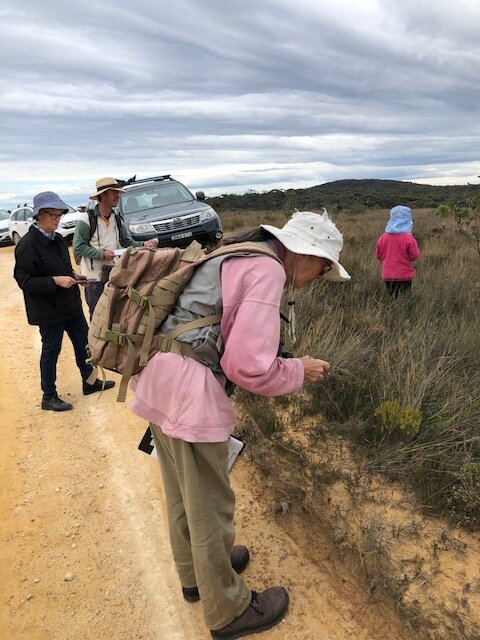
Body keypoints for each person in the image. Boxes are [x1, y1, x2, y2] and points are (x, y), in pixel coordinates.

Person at [129, 210, 351, 638]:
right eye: (323, 268)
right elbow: (247, 366)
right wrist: (298, 371)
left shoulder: (239, 252)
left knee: (181, 492)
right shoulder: (268, 271)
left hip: (158, 375)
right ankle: (228, 611)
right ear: (306, 254)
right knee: (211, 506)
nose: (318, 278)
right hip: (189, 393)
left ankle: (198, 577)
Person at [13, 191, 115, 412]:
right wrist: (54, 281)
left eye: (59, 214)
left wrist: (74, 276)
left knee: (84, 344)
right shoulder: (27, 245)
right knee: (51, 351)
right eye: (52, 214)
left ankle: (90, 383)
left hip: (70, 305)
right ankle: (48, 396)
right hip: (48, 310)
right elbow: (24, 280)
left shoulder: (58, 239)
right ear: (38, 215)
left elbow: (62, 268)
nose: (57, 219)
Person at [73, 177, 158, 319]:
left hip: (113, 273)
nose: (118, 196)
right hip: (93, 277)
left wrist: (144, 245)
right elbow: (78, 246)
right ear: (103, 195)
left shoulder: (116, 218)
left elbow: (125, 241)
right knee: (97, 314)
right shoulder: (86, 219)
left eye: (118, 193)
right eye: (114, 192)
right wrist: (101, 254)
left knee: (116, 312)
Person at [375, 205, 421, 297]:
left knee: (391, 297)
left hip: (388, 275)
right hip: (404, 275)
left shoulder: (382, 238)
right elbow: (414, 255)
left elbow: (378, 256)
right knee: (405, 298)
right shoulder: (408, 238)